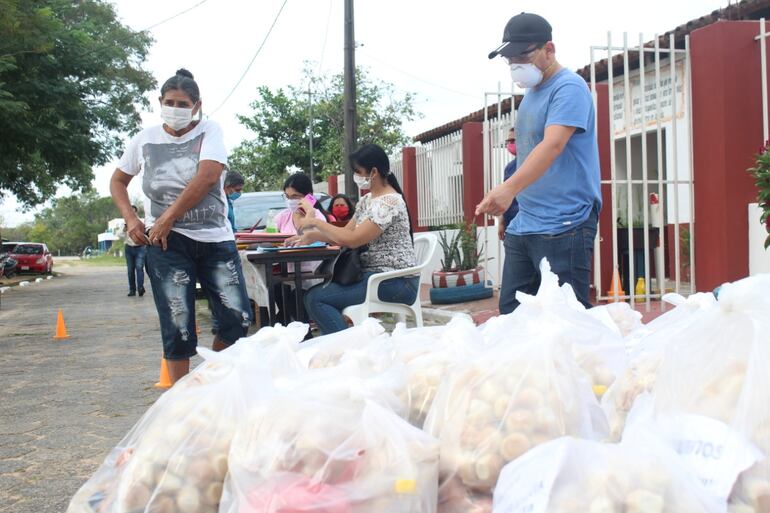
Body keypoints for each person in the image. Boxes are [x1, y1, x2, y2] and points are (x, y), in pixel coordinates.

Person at [110, 68, 252, 385]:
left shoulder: (209, 131)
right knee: (178, 322)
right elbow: (118, 181)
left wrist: (167, 217)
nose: (176, 109)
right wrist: (131, 218)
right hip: (166, 246)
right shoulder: (143, 140)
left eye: (183, 103)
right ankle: (181, 401)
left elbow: (208, 175)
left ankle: (204, 382)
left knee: (237, 319)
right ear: (160, 102)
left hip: (215, 240)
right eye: (170, 102)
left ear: (197, 106)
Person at [481, 12, 601, 313]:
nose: (516, 65)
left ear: (550, 49)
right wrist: (509, 203)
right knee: (512, 314)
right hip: (526, 224)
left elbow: (553, 144)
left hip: (566, 223)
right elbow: (527, 156)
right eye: (510, 59)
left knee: (567, 320)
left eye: (524, 55)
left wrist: (508, 189)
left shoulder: (569, 87)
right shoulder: (532, 94)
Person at [289, 144, 419, 335]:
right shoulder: (368, 200)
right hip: (375, 277)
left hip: (396, 282)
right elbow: (346, 233)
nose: (356, 176)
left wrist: (316, 223)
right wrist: (313, 235)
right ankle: (343, 346)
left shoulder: (389, 202)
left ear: (373, 172)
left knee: (316, 299)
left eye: (358, 171)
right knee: (315, 296)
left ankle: (348, 349)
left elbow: (353, 240)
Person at [272, 173, 328, 324]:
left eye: (295, 196)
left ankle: (304, 334)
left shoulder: (317, 216)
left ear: (308, 197)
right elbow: (270, 236)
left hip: (311, 274)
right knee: (276, 289)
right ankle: (292, 333)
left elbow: (317, 240)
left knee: (293, 295)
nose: (291, 201)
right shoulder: (282, 216)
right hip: (286, 272)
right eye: (287, 196)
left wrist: (306, 215)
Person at [497, 128, 519, 241]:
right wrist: (501, 221)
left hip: (532, 228)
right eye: (508, 141)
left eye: (513, 141)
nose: (510, 144)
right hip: (511, 227)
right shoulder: (509, 168)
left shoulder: (537, 163)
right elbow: (506, 196)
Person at [123, 205, 147, 297]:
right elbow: (119, 235)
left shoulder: (141, 222)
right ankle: (132, 290)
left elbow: (145, 233)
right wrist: (124, 229)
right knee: (130, 270)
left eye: (134, 211)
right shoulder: (125, 222)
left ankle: (140, 288)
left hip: (140, 248)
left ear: (136, 212)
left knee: (139, 267)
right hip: (129, 248)